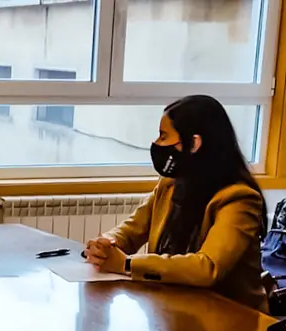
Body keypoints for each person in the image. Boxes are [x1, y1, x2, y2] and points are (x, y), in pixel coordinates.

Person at [85, 95, 268, 312]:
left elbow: (208, 267)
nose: (157, 143)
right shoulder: (170, 184)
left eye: (164, 136)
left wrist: (127, 264)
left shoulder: (239, 199)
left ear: (194, 143)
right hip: (173, 306)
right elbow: (133, 229)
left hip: (232, 317)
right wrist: (105, 244)